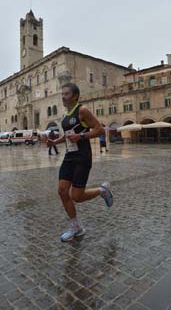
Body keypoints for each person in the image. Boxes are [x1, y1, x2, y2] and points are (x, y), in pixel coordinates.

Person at [47, 82, 113, 242]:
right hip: (69, 156)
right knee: (62, 191)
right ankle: (76, 227)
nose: (63, 97)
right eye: (62, 94)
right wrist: (54, 142)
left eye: (66, 94)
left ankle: (102, 191)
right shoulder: (65, 115)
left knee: (76, 196)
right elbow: (69, 135)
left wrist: (81, 136)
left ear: (75, 96)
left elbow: (99, 129)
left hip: (83, 157)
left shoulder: (82, 111)